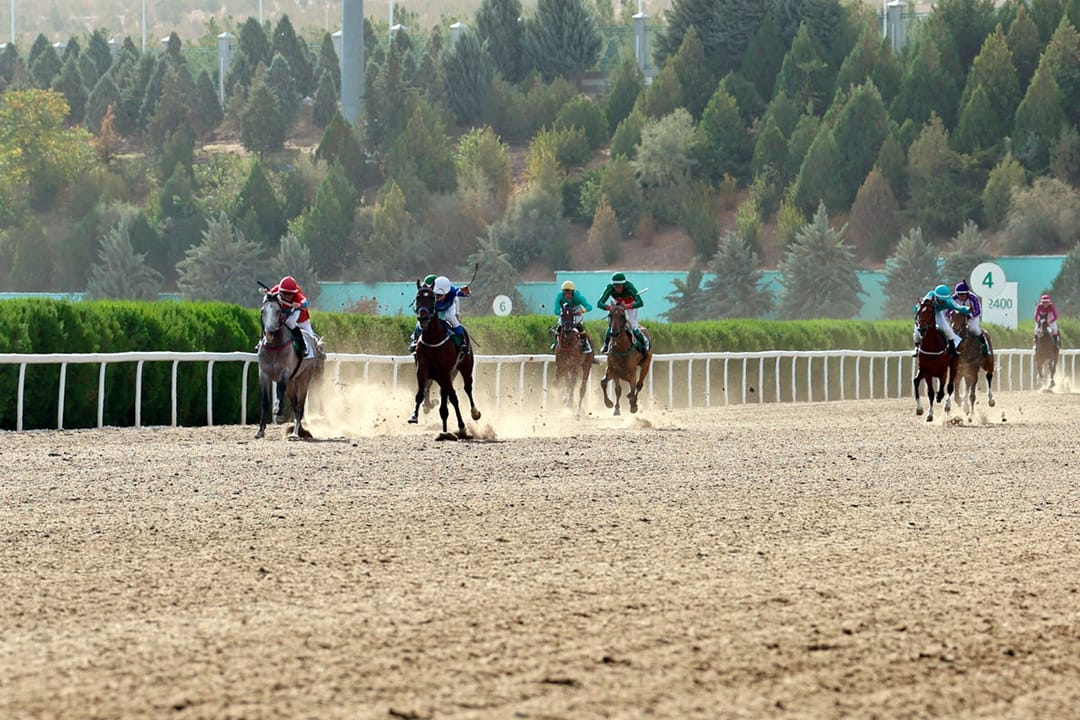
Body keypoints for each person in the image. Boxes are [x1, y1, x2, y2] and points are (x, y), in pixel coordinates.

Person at [597, 271, 649, 354]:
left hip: (630, 304)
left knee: (632, 325)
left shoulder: (629, 287)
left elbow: (640, 303)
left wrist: (626, 307)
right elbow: (599, 303)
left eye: (619, 286)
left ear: (624, 284)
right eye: (615, 286)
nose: (617, 289)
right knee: (612, 325)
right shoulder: (609, 288)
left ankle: (644, 344)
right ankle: (606, 345)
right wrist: (610, 308)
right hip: (616, 304)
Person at [270, 275, 320, 359]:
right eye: (284, 294)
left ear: (294, 293)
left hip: (301, 319)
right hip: (285, 316)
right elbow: (269, 294)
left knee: (294, 325)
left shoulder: (298, 293)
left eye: (289, 295)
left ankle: (311, 348)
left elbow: (305, 302)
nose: (286, 296)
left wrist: (299, 304)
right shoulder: (277, 289)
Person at [914, 284, 969, 356]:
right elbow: (919, 308)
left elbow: (959, 308)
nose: (942, 302)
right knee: (917, 332)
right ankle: (916, 348)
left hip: (937, 313)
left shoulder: (949, 301)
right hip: (925, 313)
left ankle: (952, 349)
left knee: (947, 330)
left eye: (944, 300)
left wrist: (968, 309)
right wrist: (918, 312)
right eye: (940, 300)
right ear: (935, 296)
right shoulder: (929, 296)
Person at [550, 280, 594, 352]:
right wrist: (561, 312)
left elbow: (589, 306)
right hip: (565, 311)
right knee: (559, 326)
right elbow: (556, 309)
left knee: (578, 326)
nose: (567, 295)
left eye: (569, 293)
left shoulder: (579, 297)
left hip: (576, 311)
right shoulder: (559, 296)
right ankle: (555, 343)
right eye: (565, 293)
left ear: (573, 292)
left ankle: (585, 343)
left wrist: (583, 311)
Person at [952, 280, 991, 357]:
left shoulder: (973, 298)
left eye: (963, 294)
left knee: (974, 329)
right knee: (951, 330)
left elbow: (978, 311)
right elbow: (947, 310)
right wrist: (951, 315)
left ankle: (985, 347)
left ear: (967, 293)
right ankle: (950, 349)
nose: (961, 297)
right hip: (958, 318)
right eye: (959, 294)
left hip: (972, 317)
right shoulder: (953, 298)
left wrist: (969, 316)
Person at [433, 275, 472, 352]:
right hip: (434, 309)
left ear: (447, 292)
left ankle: (462, 342)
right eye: (436, 294)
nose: (437, 297)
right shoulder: (431, 289)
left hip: (448, 308)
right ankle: (414, 339)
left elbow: (467, 294)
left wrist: (466, 291)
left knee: (451, 317)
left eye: (440, 295)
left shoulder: (453, 290)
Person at [408, 274, 439, 352]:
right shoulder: (424, 291)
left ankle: (462, 342)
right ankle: (415, 340)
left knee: (452, 322)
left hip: (445, 310)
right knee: (419, 324)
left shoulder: (444, 290)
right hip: (430, 313)